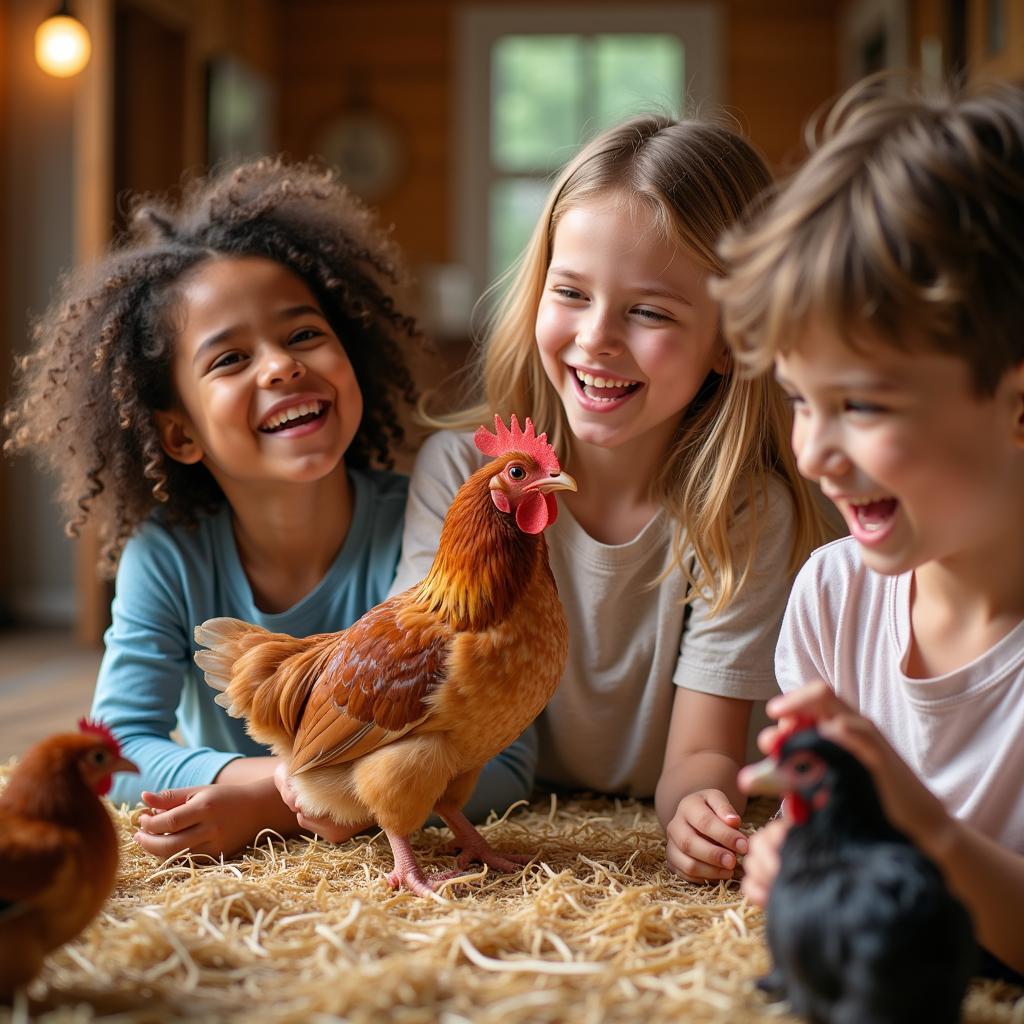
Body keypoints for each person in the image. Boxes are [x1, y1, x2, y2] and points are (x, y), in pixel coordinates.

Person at [2, 158, 530, 859]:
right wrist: (269, 779)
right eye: (228, 360)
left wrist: (272, 804)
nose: (280, 365)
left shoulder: (434, 525)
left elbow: (510, 768)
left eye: (304, 334)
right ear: (180, 434)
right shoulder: (168, 555)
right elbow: (118, 747)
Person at [387, 114, 831, 882]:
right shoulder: (460, 471)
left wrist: (700, 809)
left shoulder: (743, 511)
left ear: (731, 339)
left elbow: (702, 750)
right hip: (504, 796)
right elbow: (419, 684)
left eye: (649, 310)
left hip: (636, 799)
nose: (596, 338)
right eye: (571, 293)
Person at [714, 77, 1024, 976]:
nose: (812, 452)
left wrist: (918, 824)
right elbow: (829, 844)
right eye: (800, 399)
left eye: (861, 405)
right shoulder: (832, 598)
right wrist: (795, 860)